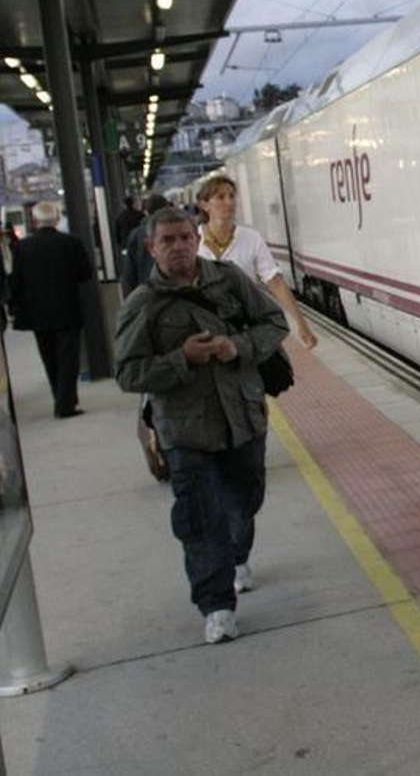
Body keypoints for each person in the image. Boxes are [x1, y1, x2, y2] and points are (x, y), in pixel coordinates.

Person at [114, 208, 288, 644]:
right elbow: (128, 374)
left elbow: (275, 322)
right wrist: (181, 359)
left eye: (184, 238)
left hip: (243, 418)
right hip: (185, 431)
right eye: (167, 240)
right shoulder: (143, 304)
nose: (178, 247)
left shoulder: (229, 281)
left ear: (197, 240)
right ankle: (217, 606)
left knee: (244, 499)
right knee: (199, 518)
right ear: (151, 247)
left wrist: (238, 346)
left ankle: (237, 555)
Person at [194, 174, 317, 350]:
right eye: (220, 197)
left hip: (249, 327)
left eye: (232, 196)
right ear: (204, 205)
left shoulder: (251, 238)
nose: (229, 202)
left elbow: (275, 282)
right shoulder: (193, 241)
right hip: (209, 329)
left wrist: (301, 324)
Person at [7, 201, 92, 418]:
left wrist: (15, 306)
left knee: (49, 357)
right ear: (56, 219)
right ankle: (65, 404)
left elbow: (16, 281)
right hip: (67, 309)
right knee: (68, 358)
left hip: (37, 312)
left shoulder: (22, 247)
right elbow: (85, 274)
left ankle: (60, 398)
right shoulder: (72, 242)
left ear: (35, 221)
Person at [121, 193, 170, 296]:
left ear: (146, 211)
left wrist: (129, 299)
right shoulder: (176, 231)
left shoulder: (137, 234)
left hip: (146, 291)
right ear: (166, 208)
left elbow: (129, 274)